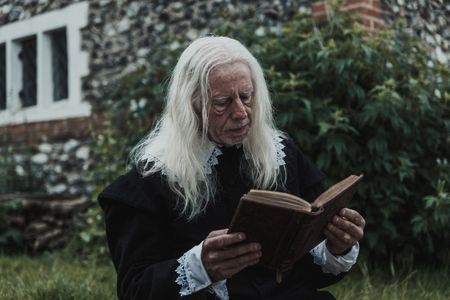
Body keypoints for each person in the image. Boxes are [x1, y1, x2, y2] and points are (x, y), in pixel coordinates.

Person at [98, 36, 365, 300]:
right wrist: (201, 265)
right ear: (190, 105)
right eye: (223, 102)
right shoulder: (153, 179)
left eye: (246, 97)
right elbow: (135, 289)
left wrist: (337, 246)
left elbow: (308, 273)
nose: (241, 112)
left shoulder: (280, 154)